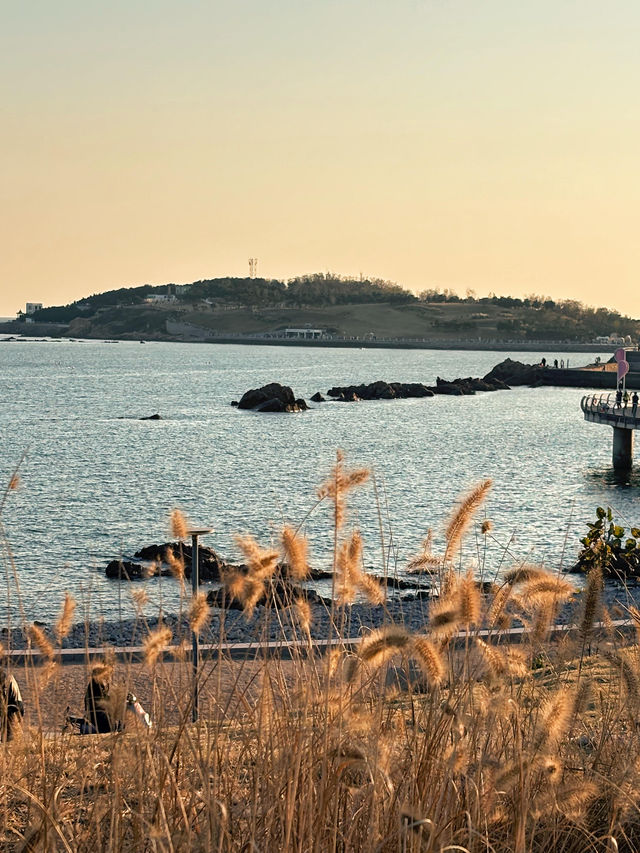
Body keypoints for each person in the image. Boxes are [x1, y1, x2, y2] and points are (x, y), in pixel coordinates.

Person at [0, 667, 24, 741]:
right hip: (12, 706)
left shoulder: (8, 679)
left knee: (10, 736)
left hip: (13, 706)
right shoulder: (8, 678)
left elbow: (18, 707)